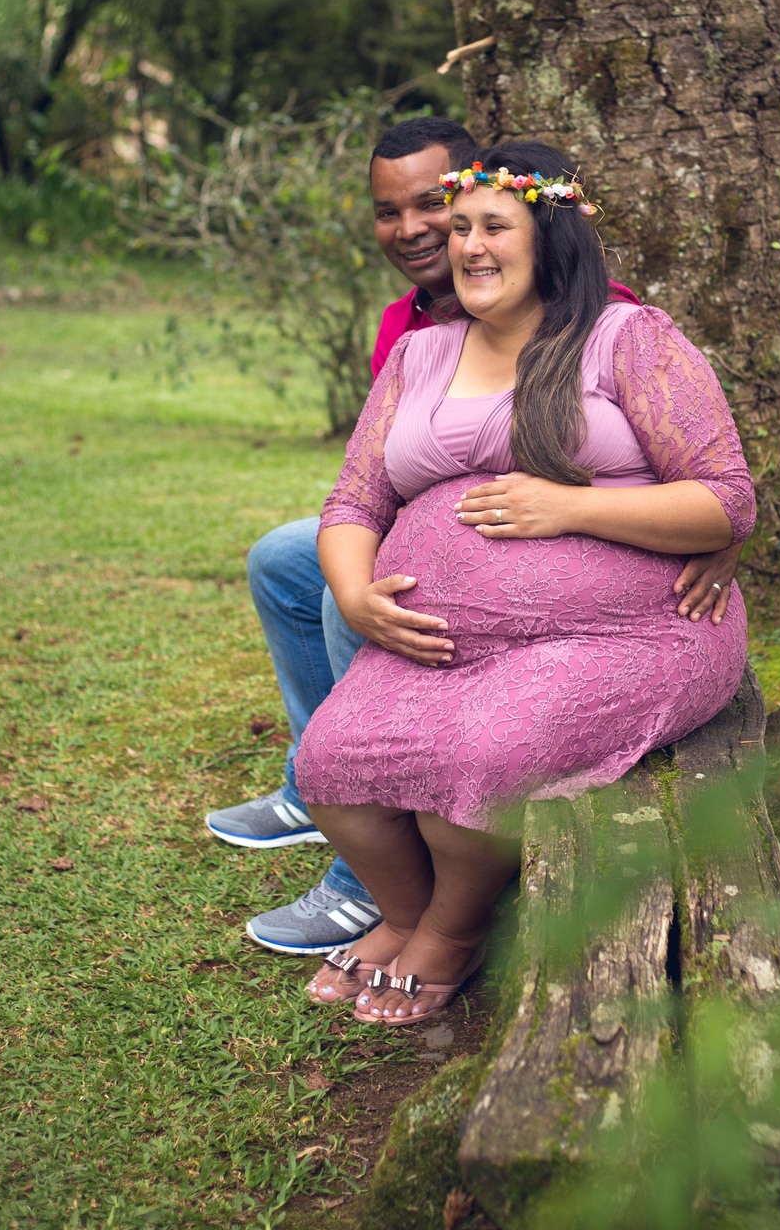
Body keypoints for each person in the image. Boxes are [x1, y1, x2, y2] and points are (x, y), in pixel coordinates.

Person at [205, 118, 739, 954]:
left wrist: (572, 509)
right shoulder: (420, 350)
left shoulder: (623, 337)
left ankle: (448, 940)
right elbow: (353, 500)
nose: (466, 246)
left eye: (493, 227)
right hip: (448, 640)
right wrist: (353, 594)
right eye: (462, 229)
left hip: (615, 633)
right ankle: (402, 914)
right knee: (329, 766)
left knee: (475, 771)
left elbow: (724, 496)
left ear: (548, 236)